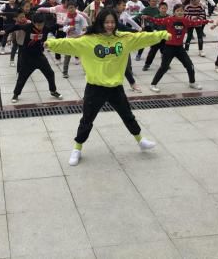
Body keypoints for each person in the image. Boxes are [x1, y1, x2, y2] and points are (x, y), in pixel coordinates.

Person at [46, 8, 169, 166]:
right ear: (100, 23)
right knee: (87, 120)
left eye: (112, 22)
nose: (110, 25)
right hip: (95, 88)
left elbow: (142, 38)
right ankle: (77, 148)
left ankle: (140, 140)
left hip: (115, 87)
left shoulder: (123, 38)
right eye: (106, 22)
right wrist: (50, 43)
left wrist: (162, 34)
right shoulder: (88, 40)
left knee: (127, 115)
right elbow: (69, 43)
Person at [146, 5, 211, 93]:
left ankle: (192, 82)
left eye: (181, 10)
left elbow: (196, 22)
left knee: (190, 65)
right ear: (174, 12)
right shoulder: (169, 20)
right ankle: (153, 84)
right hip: (169, 47)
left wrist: (207, 21)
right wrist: (148, 17)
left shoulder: (186, 21)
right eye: (177, 11)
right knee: (164, 67)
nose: (180, 12)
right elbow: (157, 21)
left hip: (180, 48)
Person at [4, 13, 63, 103]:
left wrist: (64, 24)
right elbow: (17, 27)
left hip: (39, 57)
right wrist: (6, 31)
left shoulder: (46, 28)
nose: (39, 27)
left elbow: (55, 26)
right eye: (37, 25)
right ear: (33, 23)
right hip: (27, 57)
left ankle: (53, 91)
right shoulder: (28, 27)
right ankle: (16, 94)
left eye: (41, 24)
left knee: (50, 73)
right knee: (22, 77)